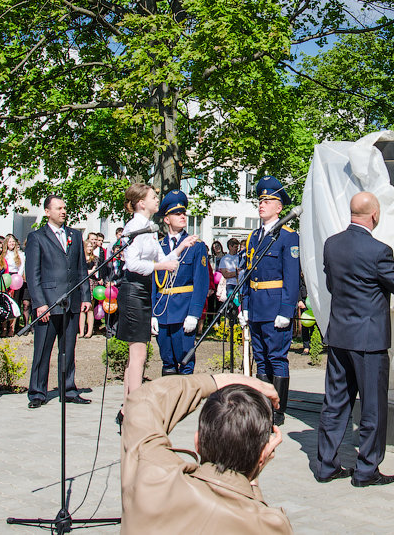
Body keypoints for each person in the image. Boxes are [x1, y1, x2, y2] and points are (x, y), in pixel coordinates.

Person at [315, 191, 394, 486]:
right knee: (372, 406)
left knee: (335, 403)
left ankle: (326, 465)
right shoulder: (379, 251)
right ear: (374, 214)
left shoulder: (332, 245)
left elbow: (333, 285)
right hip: (369, 341)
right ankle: (366, 469)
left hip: (339, 336)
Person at [120, 372, 290, 534]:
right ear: (263, 455)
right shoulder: (271, 525)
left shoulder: (151, 476)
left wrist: (217, 381)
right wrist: (253, 480)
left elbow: (143, 400)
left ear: (197, 442)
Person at [117, 183, 197, 425]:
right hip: (133, 291)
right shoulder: (135, 227)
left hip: (141, 291)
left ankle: (126, 408)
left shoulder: (149, 229)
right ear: (142, 203)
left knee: (137, 355)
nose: (156, 200)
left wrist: (181, 247)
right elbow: (132, 264)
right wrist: (160, 267)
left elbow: (163, 258)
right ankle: (133, 409)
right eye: (153, 197)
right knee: (138, 353)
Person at [239, 176, 300, 425]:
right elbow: (246, 273)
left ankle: (277, 409)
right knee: (261, 357)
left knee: (277, 358)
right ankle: (263, 406)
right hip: (255, 305)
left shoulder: (287, 236)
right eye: (260, 200)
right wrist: (244, 305)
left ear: (279, 207)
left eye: (268, 200)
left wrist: (286, 310)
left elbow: (292, 277)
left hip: (275, 306)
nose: (262, 204)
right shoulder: (254, 237)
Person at [25, 195, 92, 408]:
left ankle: (68, 389)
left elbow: (81, 268)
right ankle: (37, 392)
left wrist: (85, 296)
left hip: (71, 301)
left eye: (65, 208)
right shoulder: (37, 237)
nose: (63, 211)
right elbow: (33, 273)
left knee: (68, 349)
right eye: (58, 208)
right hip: (49, 302)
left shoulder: (74, 235)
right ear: (47, 211)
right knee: (43, 350)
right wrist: (39, 303)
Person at [151, 190, 210, 375]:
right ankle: (169, 403)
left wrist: (194, 314)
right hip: (163, 310)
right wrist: (152, 313)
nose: (182, 216)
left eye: (183, 213)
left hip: (184, 310)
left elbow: (201, 282)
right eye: (177, 214)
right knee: (167, 360)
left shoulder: (196, 245)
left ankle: (185, 404)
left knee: (185, 360)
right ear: (166, 219)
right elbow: (153, 282)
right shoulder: (158, 246)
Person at [0, 233, 24, 337]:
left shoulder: (19, 254)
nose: (12, 243)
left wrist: (18, 277)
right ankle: (4, 328)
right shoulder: (4, 255)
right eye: (10, 242)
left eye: (13, 242)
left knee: (15, 303)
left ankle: (12, 328)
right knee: (5, 302)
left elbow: (21, 267)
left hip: (16, 278)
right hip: (6, 278)